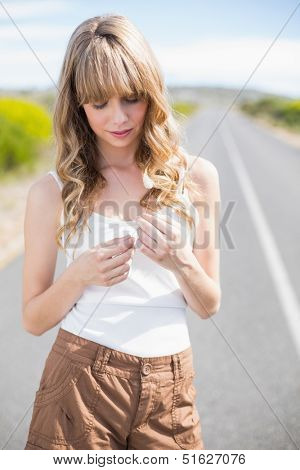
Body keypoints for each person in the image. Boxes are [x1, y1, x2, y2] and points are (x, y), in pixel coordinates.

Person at [22, 13, 221, 450]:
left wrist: (180, 261)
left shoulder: (198, 177)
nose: (119, 117)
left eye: (132, 97)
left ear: (151, 92)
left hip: (171, 387)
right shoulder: (51, 192)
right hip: (78, 378)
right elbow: (33, 319)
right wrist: (78, 276)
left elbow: (207, 306)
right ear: (77, 104)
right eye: (99, 103)